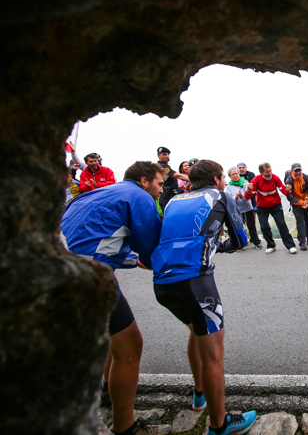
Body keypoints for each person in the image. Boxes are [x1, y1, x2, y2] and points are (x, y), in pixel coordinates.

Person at [150, 160, 256, 435]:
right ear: (217, 178)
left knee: (195, 331)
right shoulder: (220, 196)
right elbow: (241, 240)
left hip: (162, 283)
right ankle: (219, 425)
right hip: (195, 283)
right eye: (222, 177)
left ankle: (199, 395)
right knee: (213, 355)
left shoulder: (173, 199)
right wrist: (218, 246)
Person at [61, 161, 164, 435]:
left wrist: (134, 261)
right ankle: (126, 428)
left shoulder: (95, 194)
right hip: (87, 276)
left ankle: (110, 390)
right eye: (159, 184)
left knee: (113, 338)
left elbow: (97, 239)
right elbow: (153, 252)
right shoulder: (140, 197)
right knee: (131, 346)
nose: (160, 191)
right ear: (144, 181)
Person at [244, 163, 297, 254]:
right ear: (261, 172)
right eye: (267, 172)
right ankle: (271, 245)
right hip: (262, 207)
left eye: (270, 171)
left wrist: (288, 190)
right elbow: (248, 197)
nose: (269, 173)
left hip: (276, 205)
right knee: (264, 226)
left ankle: (291, 246)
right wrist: (248, 190)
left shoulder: (275, 178)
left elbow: (284, 191)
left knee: (281, 224)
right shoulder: (256, 180)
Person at [225, 167, 262, 250]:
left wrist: (242, 196)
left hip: (247, 208)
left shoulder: (245, 183)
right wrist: (236, 197)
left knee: (251, 226)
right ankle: (241, 243)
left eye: (236, 173)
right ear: (230, 176)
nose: (235, 176)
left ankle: (256, 242)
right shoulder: (229, 186)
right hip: (237, 209)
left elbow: (249, 196)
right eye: (233, 174)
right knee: (239, 227)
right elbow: (229, 198)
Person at [285, 163, 308, 250]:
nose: (298, 172)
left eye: (299, 170)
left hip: (305, 201)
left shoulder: (305, 178)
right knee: (300, 222)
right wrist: (302, 202)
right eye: (296, 171)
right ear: (292, 171)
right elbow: (289, 197)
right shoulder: (289, 181)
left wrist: (307, 201)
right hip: (296, 204)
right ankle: (302, 243)